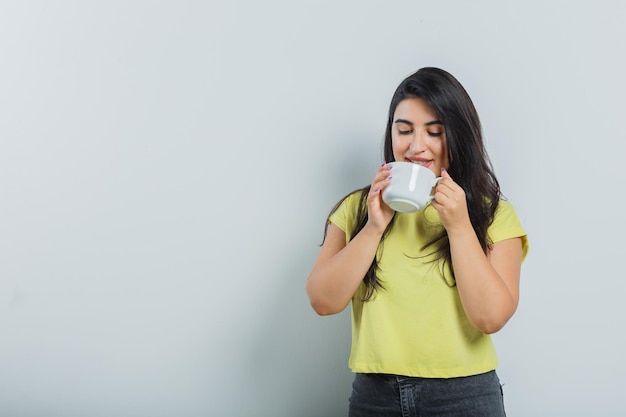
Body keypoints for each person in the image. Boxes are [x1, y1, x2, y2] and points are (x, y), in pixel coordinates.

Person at [306, 67, 529, 417]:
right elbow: (322, 301)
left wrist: (458, 227)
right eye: (404, 130)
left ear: (458, 137)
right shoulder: (357, 209)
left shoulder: (493, 214)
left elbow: (491, 318)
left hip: (465, 396)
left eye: (434, 132)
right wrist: (374, 228)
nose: (416, 146)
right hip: (374, 396)